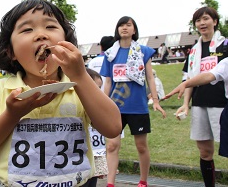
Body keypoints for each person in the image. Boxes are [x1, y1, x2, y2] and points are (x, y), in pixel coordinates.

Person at [0, 0, 121, 186]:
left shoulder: (78, 86)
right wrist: (11, 115)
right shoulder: (0, 90)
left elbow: (113, 127)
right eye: (27, 29)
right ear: (11, 52)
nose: (41, 35)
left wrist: (81, 76)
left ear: (65, 42)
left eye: (50, 27)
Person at [100, 16, 166, 187]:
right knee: (112, 146)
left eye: (128, 25)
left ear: (134, 30)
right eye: (121, 25)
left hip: (138, 108)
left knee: (141, 146)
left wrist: (156, 100)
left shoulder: (143, 51)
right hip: (116, 108)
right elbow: (107, 82)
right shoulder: (110, 54)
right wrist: (103, 105)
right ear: (117, 30)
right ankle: (110, 183)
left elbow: (150, 77)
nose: (124, 28)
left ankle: (143, 181)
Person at [174, 6, 227, 187]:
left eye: (205, 19)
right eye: (198, 20)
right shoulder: (194, 51)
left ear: (215, 21)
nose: (202, 23)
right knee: (205, 152)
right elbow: (189, 79)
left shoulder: (225, 45)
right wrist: (186, 104)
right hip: (200, 104)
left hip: (222, 104)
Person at [164, 57, 228, 158]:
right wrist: (185, 84)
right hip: (201, 102)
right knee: (205, 150)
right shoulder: (225, 62)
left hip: (219, 103)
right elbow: (208, 75)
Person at [84, 68, 108, 186]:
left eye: (99, 88)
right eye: (95, 88)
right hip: (82, 157)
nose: (98, 92)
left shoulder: (98, 105)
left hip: (96, 155)